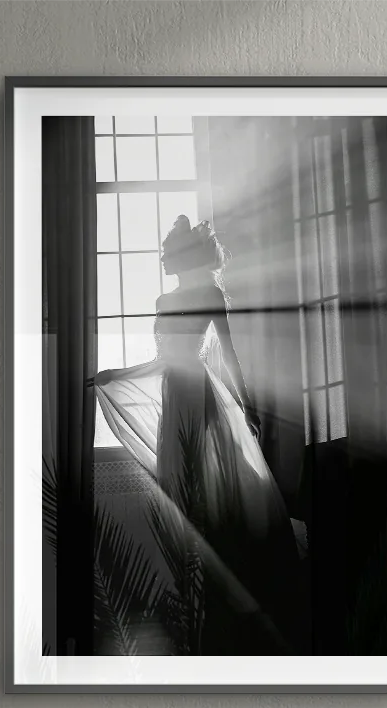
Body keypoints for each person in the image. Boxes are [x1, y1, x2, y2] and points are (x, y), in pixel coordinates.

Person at [93, 216, 304, 654]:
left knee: (217, 485)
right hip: (175, 392)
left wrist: (245, 406)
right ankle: (200, 588)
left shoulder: (209, 293)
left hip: (201, 394)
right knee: (186, 490)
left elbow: (229, 354)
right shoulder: (162, 298)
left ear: (182, 256)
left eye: (168, 253)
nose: (164, 260)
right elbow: (160, 358)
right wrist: (118, 375)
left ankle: (235, 591)